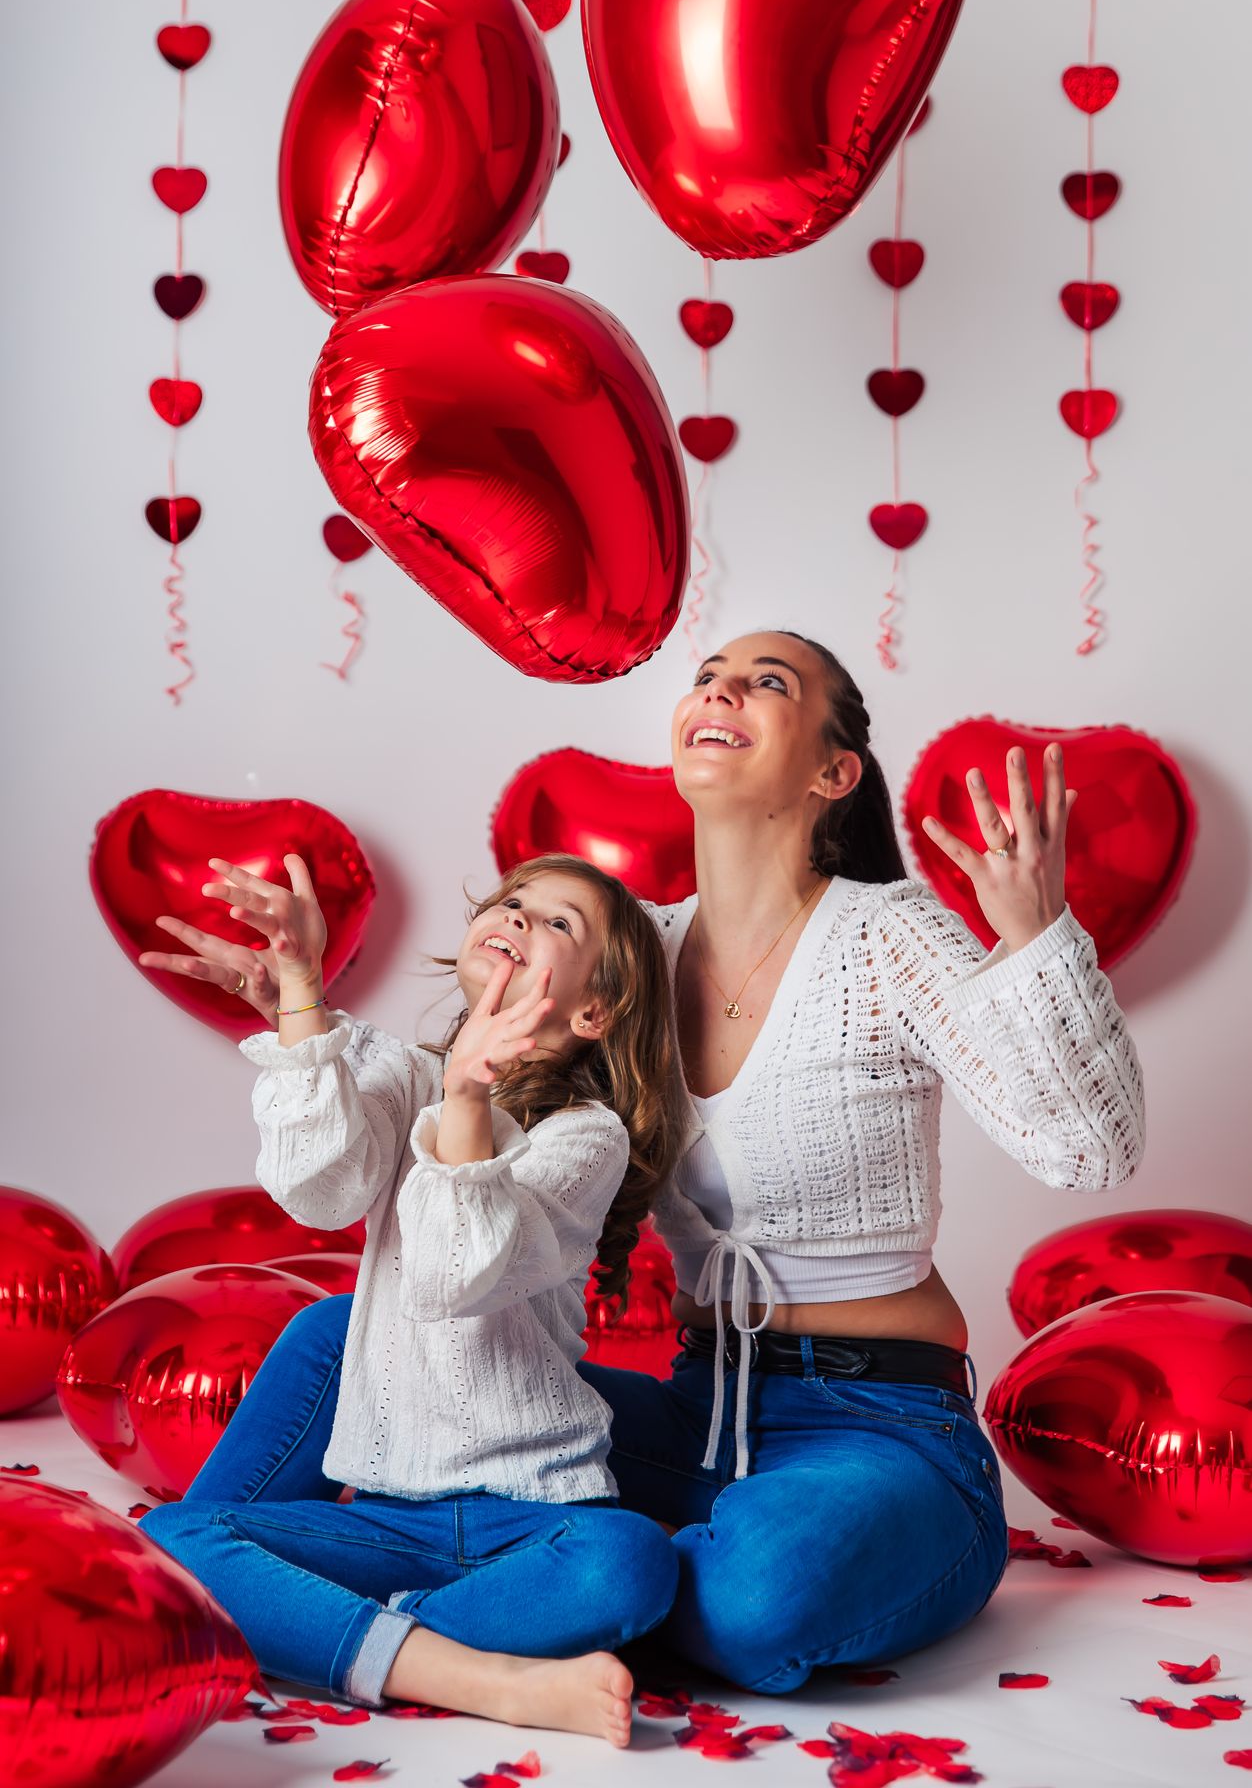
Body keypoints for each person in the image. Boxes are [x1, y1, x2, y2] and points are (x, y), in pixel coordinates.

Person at [140, 629, 1145, 1711]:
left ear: (832, 772)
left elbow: (1089, 1151)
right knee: (346, 1336)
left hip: (876, 1426)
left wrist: (1033, 939)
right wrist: (303, 1010)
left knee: (754, 1594)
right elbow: (454, 1090)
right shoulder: (628, 955)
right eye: (707, 677)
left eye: (766, 683)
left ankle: (298, 1610)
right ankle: (185, 1581)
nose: (720, 690)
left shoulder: (885, 935)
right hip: (690, 1416)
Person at [140, 853, 690, 1747]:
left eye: (559, 922)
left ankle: (331, 1630)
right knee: (175, 1538)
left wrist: (469, 1096)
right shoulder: (404, 1077)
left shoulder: (586, 1139)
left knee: (630, 1563)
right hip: (389, 1521)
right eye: (513, 902)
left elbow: (449, 1277)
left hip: (537, 1518)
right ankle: (475, 1674)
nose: (518, 917)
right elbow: (318, 1191)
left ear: (594, 1011)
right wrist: (300, 991)